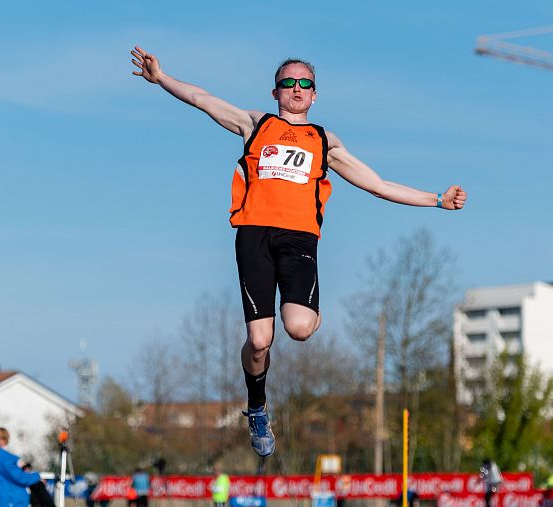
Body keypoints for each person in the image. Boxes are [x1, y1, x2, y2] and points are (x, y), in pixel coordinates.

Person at [130, 47, 467, 457]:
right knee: (258, 340)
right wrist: (162, 78)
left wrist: (436, 199)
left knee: (301, 328)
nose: (296, 88)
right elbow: (202, 99)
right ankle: (257, 408)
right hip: (253, 235)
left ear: (314, 95)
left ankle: (308, 303)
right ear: (276, 91)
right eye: (288, 82)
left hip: (299, 239)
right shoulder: (255, 123)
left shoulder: (324, 141)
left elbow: (377, 184)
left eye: (305, 83)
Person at [0, 427, 41, 507]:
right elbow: (20, 478)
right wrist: (37, 476)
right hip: (10, 500)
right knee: (41, 492)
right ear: (3, 440)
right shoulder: (0, 457)